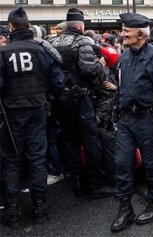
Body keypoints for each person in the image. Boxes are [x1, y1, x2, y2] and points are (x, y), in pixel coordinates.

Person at [110, 13, 153, 232]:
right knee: (121, 163)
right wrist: (114, 109)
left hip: (147, 121)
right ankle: (125, 207)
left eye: (126, 31)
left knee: (152, 165)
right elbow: (119, 87)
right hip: (126, 120)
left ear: (140, 34)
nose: (122, 35)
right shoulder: (123, 57)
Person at [0, 7, 65, 227]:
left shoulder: (3, 53)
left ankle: (12, 214)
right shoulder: (42, 51)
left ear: (10, 27)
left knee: (11, 162)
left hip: (10, 114)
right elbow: (58, 82)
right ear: (29, 27)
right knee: (38, 159)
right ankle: (40, 210)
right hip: (38, 110)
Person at [51, 8, 114, 198]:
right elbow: (88, 71)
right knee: (91, 141)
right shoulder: (82, 41)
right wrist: (101, 64)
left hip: (59, 98)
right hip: (80, 99)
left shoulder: (54, 42)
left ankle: (77, 184)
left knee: (69, 141)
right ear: (81, 26)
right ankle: (96, 186)